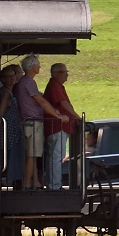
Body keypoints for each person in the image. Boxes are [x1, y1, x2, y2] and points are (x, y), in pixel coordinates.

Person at [14, 54, 69, 190]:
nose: (40, 66)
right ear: (32, 67)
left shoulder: (24, 82)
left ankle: (36, 182)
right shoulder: (28, 82)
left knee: (33, 155)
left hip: (29, 123)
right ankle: (27, 184)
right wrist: (57, 115)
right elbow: (41, 101)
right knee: (32, 155)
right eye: (38, 64)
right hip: (33, 124)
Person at [43, 62, 79, 190]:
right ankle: (54, 186)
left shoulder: (56, 85)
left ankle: (53, 184)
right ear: (56, 74)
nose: (67, 75)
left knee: (55, 155)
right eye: (64, 72)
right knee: (56, 156)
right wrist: (76, 116)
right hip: (58, 126)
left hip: (58, 127)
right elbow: (62, 103)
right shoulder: (55, 85)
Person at [0, 64, 24, 190]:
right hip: (9, 132)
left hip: (12, 130)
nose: (12, 78)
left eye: (13, 75)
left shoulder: (9, 91)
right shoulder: (6, 94)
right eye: (8, 77)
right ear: (3, 79)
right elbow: (0, 113)